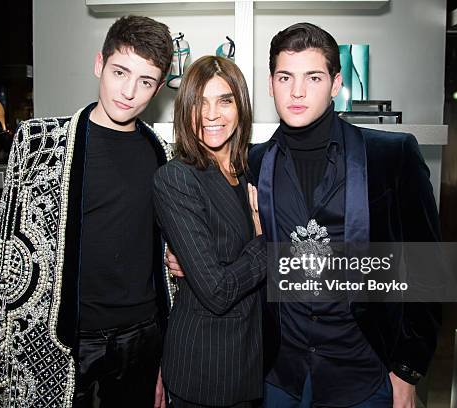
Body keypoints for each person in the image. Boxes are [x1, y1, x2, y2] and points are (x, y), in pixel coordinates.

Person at [168, 23, 441, 408]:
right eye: (285, 77)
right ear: (270, 84)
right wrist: (187, 259)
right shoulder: (252, 163)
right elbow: (232, 246)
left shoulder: (390, 156)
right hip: (276, 374)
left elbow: (429, 269)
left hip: (365, 373)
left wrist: (407, 370)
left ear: (335, 83)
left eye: (313, 77)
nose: (297, 91)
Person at [0, 16, 175, 407]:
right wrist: (0, 351)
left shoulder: (164, 155)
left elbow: (165, 256)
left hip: (143, 336)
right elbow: (8, 252)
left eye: (145, 81)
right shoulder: (40, 144)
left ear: (157, 88)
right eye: (120, 72)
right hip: (62, 337)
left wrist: (166, 361)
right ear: (98, 64)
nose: (129, 91)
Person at [153, 55, 267, 408]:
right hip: (207, 370)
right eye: (200, 102)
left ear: (241, 106)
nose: (212, 115)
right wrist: (268, 243)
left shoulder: (254, 169)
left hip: (257, 360)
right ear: (185, 109)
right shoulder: (178, 178)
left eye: (224, 101)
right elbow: (216, 291)